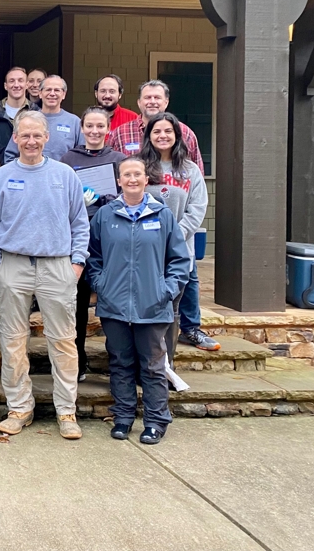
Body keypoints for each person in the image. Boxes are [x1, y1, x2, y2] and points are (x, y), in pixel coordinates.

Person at [0, 110, 89, 440]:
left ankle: (66, 410)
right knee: (12, 341)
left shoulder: (65, 175)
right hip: (13, 265)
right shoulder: (2, 177)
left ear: (46, 138)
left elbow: (80, 224)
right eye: (24, 135)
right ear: (15, 138)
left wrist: (77, 265)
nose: (30, 140)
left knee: (63, 341)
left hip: (57, 266)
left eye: (36, 135)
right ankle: (19, 408)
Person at [87, 157, 191, 445]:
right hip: (115, 306)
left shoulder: (163, 215)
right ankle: (122, 417)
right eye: (126, 175)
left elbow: (180, 260)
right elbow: (93, 257)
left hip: (153, 306)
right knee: (120, 363)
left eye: (137, 174)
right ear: (119, 180)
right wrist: (100, 284)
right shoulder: (105, 216)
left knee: (153, 366)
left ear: (147, 179)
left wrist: (165, 290)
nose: (132, 179)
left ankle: (157, 421)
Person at [140, 112, 217, 352]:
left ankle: (190, 330)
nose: (162, 136)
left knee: (188, 284)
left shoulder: (190, 169)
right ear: (149, 136)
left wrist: (174, 237)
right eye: (157, 131)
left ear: (177, 135)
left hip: (182, 244)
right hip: (147, 245)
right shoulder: (139, 165)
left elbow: (197, 207)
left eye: (168, 131)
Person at [59, 106, 126, 380]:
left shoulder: (119, 159)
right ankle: (78, 360)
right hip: (76, 241)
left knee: (112, 304)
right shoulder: (68, 158)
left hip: (109, 240)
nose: (95, 131)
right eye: (90, 126)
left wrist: (103, 199)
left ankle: (119, 363)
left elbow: (126, 196)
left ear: (107, 128)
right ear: (82, 128)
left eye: (100, 126)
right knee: (76, 305)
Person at [106, 80, 205, 173]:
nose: (152, 102)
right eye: (147, 97)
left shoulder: (185, 133)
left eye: (157, 97)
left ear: (166, 102)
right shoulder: (119, 133)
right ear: (139, 103)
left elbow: (197, 174)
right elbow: (109, 170)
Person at [3, 75, 82, 163]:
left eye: (57, 90)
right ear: (40, 93)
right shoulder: (26, 120)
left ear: (64, 94)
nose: (52, 93)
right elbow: (10, 156)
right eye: (48, 90)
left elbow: (82, 156)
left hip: (62, 176)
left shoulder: (74, 122)